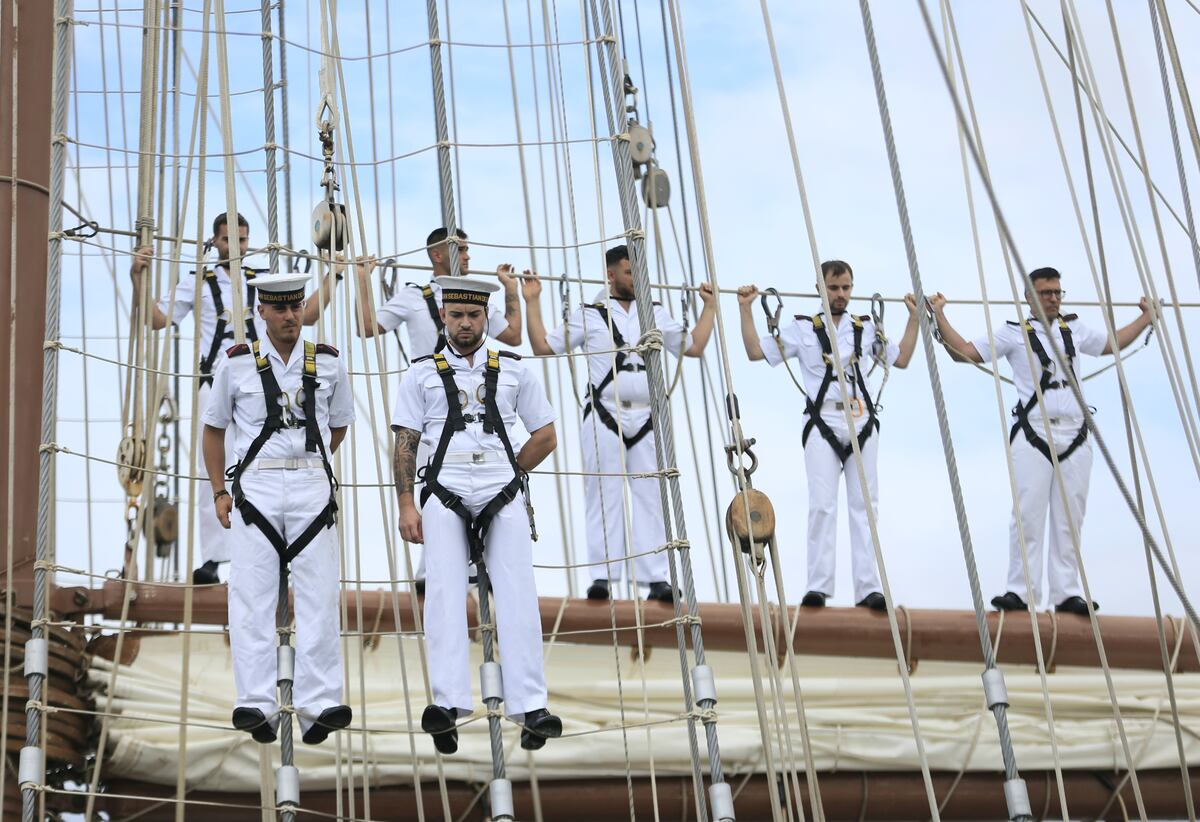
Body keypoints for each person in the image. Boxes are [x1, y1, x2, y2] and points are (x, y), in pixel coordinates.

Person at [391, 276, 561, 754]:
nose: (465, 324)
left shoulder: (514, 371)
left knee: (517, 593)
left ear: (486, 317)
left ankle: (531, 705)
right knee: (444, 592)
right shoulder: (419, 373)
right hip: (442, 489)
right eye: (457, 316)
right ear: (443, 316)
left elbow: (545, 434)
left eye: (474, 316)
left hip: (501, 489)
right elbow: (405, 443)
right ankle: (447, 703)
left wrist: (513, 473)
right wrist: (407, 503)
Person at [929, 267, 1154, 616]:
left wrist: (1146, 318)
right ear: (1029, 298)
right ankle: (1021, 591)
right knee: (1027, 515)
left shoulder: (1075, 330)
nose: (1053, 298)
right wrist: (940, 317)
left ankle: (1066, 592)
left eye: (1057, 292)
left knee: (1070, 517)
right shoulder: (1012, 334)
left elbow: (1110, 344)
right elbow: (966, 353)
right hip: (1035, 431)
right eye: (1046, 293)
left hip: (1076, 432)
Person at [130, 212, 339, 585]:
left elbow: (304, 316)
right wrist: (139, 281)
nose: (237, 248)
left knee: (274, 457)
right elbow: (157, 320)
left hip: (266, 383)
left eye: (242, 241)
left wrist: (333, 274)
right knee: (211, 467)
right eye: (229, 241)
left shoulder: (264, 285)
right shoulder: (197, 283)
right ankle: (213, 556)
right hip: (218, 381)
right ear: (215, 242)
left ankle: (281, 547)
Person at [202, 272, 353, 746]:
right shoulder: (236, 364)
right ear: (260, 312)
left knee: (319, 596)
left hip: (309, 486)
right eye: (280, 309)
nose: (290, 317)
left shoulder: (327, 364)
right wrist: (218, 493)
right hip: (258, 489)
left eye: (295, 308)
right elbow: (213, 430)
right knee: (251, 596)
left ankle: (320, 704)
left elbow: (339, 425)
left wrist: (313, 464)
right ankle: (256, 703)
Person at [523, 245, 717, 602]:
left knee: (650, 496)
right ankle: (602, 575)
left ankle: (655, 577)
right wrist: (532, 300)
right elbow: (542, 346)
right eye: (630, 272)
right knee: (602, 494)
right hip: (603, 413)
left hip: (647, 415)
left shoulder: (655, 313)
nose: (637, 278)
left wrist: (709, 307)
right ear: (611, 275)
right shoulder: (590, 315)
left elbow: (692, 347)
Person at [737, 260, 919, 610]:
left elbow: (902, 358)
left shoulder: (866, 329)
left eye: (847, 287)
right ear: (820, 288)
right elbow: (755, 352)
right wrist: (745, 310)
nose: (841, 294)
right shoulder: (802, 329)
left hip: (861, 423)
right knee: (822, 505)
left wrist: (914, 318)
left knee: (866, 507)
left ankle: (869, 587)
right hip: (822, 424)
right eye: (834, 288)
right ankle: (818, 585)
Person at [354, 226, 522, 594]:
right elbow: (368, 327)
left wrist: (511, 291)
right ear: (437, 255)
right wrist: (363, 279)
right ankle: (430, 570)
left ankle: (477, 565)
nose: (468, 256)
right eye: (461, 250)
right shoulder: (414, 297)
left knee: (479, 479)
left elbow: (512, 336)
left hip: (472, 400)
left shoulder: (477, 302)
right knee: (433, 484)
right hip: (431, 401)